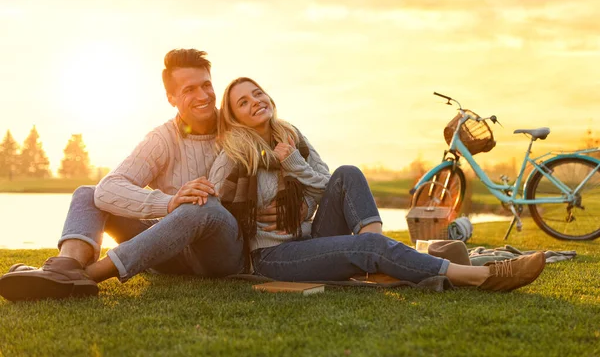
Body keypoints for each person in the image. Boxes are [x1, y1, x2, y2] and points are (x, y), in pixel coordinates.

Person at [208, 77, 546, 291]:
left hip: (308, 236)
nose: (256, 102)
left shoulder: (292, 136)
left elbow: (327, 185)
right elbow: (218, 214)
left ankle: (377, 264)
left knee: (349, 172)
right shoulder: (236, 155)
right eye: (244, 102)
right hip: (272, 255)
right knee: (370, 248)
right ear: (235, 118)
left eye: (257, 93)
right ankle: (483, 276)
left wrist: (294, 166)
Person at [0, 49, 249, 302]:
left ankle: (86, 275)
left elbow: (282, 138)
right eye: (189, 90)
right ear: (171, 98)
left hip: (221, 252)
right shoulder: (162, 139)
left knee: (202, 205)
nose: (203, 96)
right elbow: (108, 189)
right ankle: (66, 266)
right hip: (168, 253)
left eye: (206, 85)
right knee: (88, 193)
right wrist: (169, 203)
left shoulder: (237, 126)